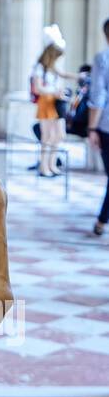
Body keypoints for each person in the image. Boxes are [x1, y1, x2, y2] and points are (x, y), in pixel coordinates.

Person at [29, 25, 76, 178]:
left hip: (56, 102)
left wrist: (79, 77)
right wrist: (54, 92)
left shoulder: (52, 68)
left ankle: (52, 164)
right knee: (47, 136)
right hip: (46, 102)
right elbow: (37, 88)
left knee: (59, 135)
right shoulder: (39, 68)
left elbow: (63, 75)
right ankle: (44, 167)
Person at [87, 18, 109, 236]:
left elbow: (98, 96)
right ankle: (102, 220)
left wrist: (92, 129)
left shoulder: (103, 59)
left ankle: (102, 220)